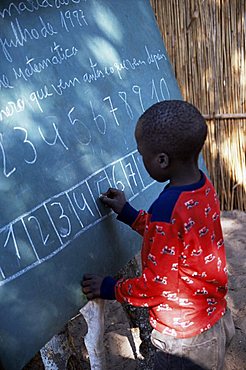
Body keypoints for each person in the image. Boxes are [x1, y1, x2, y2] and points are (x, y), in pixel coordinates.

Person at [82, 100, 235, 369]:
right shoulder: (202, 186)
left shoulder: (166, 209)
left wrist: (109, 288)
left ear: (162, 160)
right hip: (214, 318)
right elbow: (178, 237)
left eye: (142, 154)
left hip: (184, 342)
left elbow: (155, 286)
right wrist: (129, 213)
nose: (140, 159)